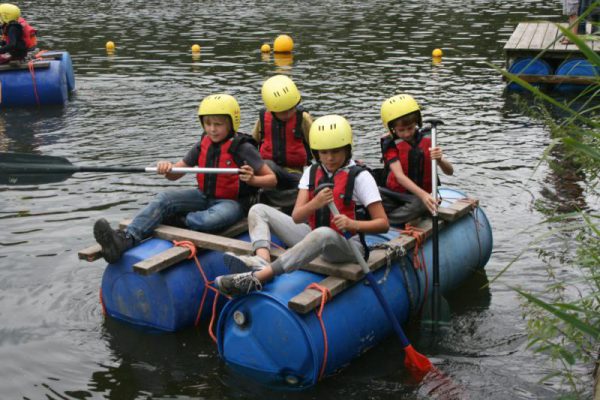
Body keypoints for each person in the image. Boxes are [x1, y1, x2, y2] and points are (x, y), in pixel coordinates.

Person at [215, 114, 389, 297]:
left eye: (336, 151)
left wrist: (353, 224)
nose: (329, 158)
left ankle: (259, 277)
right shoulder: (312, 172)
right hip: (314, 236)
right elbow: (297, 217)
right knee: (258, 210)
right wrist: (315, 203)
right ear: (316, 152)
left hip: (348, 248)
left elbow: (383, 224)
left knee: (322, 234)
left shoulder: (361, 177)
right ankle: (262, 260)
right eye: (324, 152)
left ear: (347, 149)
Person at [93, 94, 277, 264]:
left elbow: (271, 179)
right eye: (208, 123)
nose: (212, 129)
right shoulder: (203, 143)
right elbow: (176, 173)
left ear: (231, 123)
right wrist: (167, 168)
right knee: (164, 198)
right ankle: (125, 239)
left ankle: (178, 220)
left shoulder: (243, 148)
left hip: (232, 203)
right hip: (203, 196)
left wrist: (253, 180)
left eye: (218, 124)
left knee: (209, 221)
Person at [379, 94, 454, 226]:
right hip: (395, 195)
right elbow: (399, 176)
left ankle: (390, 221)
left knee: (420, 204)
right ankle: (394, 219)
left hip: (418, 198)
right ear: (392, 129)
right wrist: (424, 196)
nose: (407, 134)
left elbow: (450, 172)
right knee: (374, 196)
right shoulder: (390, 144)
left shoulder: (427, 139)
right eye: (401, 130)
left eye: (410, 128)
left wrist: (440, 159)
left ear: (417, 123)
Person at [251, 74, 313, 212]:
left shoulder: (303, 119)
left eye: (292, 108)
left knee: (309, 189)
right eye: (283, 112)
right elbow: (252, 143)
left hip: (295, 174)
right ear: (272, 110)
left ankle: (275, 199)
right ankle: (277, 198)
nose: (289, 114)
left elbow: (318, 145)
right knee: (266, 164)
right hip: (270, 172)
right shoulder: (263, 119)